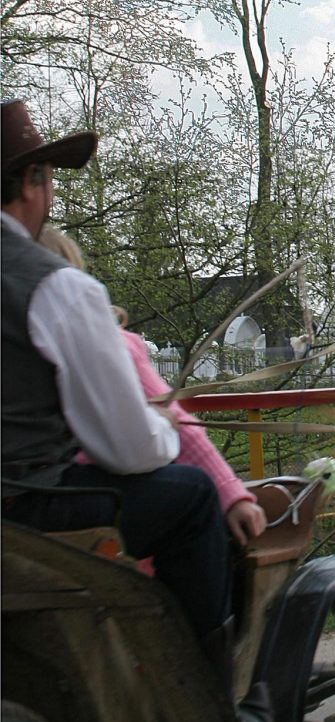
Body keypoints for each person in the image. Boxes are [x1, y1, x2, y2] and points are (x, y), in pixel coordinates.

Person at [0, 99, 270, 722]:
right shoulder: (56, 287)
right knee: (189, 498)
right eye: (48, 177)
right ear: (32, 182)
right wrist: (161, 432)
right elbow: (129, 447)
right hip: (33, 510)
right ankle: (210, 699)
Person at [38, 226, 266, 546]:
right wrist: (231, 493)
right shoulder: (116, 345)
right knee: (192, 494)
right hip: (89, 508)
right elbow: (182, 428)